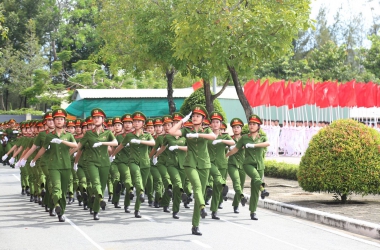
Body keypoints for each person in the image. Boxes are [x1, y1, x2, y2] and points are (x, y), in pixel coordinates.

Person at [169, 105, 216, 236]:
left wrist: (197, 134)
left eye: (198, 116)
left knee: (200, 191)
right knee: (196, 186)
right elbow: (172, 132)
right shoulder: (186, 130)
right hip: (190, 164)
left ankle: (195, 225)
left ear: (203, 119)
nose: (195, 118)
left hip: (204, 164)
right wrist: (182, 121)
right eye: (193, 116)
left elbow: (213, 137)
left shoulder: (206, 130)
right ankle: (202, 206)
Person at [31, 109, 78, 222]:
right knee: (56, 187)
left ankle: (60, 210)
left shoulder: (69, 135)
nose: (59, 121)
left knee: (63, 189)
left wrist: (62, 142)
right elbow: (42, 149)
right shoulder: (49, 136)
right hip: (53, 166)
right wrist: (34, 159)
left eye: (61, 119)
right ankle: (57, 205)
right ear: (54, 121)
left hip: (66, 166)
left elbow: (75, 145)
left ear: (64, 121)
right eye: (57, 119)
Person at [74, 108, 118, 220]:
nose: (96, 119)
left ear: (103, 119)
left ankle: (96, 210)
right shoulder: (89, 134)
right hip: (91, 162)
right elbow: (78, 147)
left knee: (102, 186)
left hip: (104, 163)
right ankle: (99, 198)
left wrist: (102, 143)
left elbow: (115, 143)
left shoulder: (107, 133)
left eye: (98, 117)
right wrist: (68, 153)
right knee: (95, 181)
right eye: (94, 117)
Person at [226, 114, 270, 220]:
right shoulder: (244, 138)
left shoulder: (262, 137)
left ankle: (253, 211)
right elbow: (236, 149)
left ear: (258, 126)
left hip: (259, 165)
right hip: (248, 164)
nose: (251, 126)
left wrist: (254, 145)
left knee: (254, 189)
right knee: (255, 177)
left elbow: (267, 144)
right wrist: (226, 155)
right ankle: (263, 189)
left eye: (254, 124)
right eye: (250, 124)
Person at [112, 111, 155, 218]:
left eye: (138, 121)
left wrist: (140, 142)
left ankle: (137, 209)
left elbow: (153, 143)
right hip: (132, 162)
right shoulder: (129, 136)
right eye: (134, 121)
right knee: (135, 178)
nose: (136, 123)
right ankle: (139, 193)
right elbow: (120, 146)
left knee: (141, 184)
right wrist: (112, 155)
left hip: (145, 163)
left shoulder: (147, 135)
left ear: (143, 123)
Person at [207, 111, 234, 220]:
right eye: (213, 122)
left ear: (220, 124)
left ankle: (214, 211)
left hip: (222, 164)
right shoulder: (207, 134)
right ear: (210, 124)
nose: (215, 124)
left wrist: (221, 141)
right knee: (214, 184)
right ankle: (202, 205)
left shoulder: (225, 136)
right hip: (209, 163)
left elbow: (233, 143)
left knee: (217, 188)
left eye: (217, 122)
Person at [227, 118, 247, 213]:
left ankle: (236, 204)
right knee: (236, 181)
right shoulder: (229, 139)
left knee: (241, 185)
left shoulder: (245, 139)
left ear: (241, 128)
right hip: (232, 164)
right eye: (234, 127)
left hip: (242, 165)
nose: (236, 129)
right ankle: (242, 197)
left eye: (238, 127)